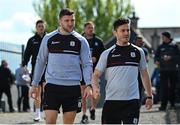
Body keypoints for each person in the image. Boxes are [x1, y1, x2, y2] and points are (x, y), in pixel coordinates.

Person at [29, 8, 93, 124]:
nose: (70, 23)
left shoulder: (81, 41)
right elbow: (40, 61)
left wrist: (89, 84)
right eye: (66, 20)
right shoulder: (48, 38)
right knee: (50, 122)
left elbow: (87, 64)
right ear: (60, 21)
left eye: (72, 20)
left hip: (72, 88)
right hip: (52, 87)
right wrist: (34, 84)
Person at [92, 18, 153, 124]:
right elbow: (96, 75)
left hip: (132, 102)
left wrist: (149, 96)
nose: (126, 33)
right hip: (112, 102)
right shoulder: (107, 54)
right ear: (115, 32)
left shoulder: (139, 52)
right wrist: (96, 87)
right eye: (122, 30)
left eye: (128, 30)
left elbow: (144, 74)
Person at [80, 21, 105, 124]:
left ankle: (93, 108)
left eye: (92, 28)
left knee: (96, 93)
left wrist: (96, 58)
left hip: (95, 72)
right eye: (89, 28)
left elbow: (104, 56)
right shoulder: (80, 40)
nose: (91, 29)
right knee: (83, 94)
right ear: (85, 29)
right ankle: (84, 115)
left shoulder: (98, 41)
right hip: (82, 71)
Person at [22, 19, 46, 121]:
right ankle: (38, 114)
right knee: (37, 92)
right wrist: (24, 65)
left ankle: (46, 112)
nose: (41, 28)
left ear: (44, 27)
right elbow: (27, 54)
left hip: (48, 69)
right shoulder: (31, 40)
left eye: (42, 26)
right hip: (36, 69)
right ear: (36, 28)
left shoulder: (49, 38)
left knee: (48, 92)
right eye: (39, 26)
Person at [154, 31, 180, 111]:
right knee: (163, 88)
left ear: (167, 37)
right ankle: (163, 105)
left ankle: (172, 104)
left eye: (163, 37)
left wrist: (171, 57)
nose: (162, 38)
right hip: (163, 70)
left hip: (173, 70)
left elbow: (178, 57)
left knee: (173, 88)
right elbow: (156, 57)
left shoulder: (175, 46)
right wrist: (157, 61)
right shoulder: (160, 46)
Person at [134, 36, 149, 103]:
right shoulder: (132, 49)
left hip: (141, 72)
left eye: (141, 41)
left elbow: (146, 60)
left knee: (140, 88)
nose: (140, 43)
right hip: (133, 72)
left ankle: (139, 103)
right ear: (135, 41)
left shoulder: (144, 50)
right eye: (138, 41)